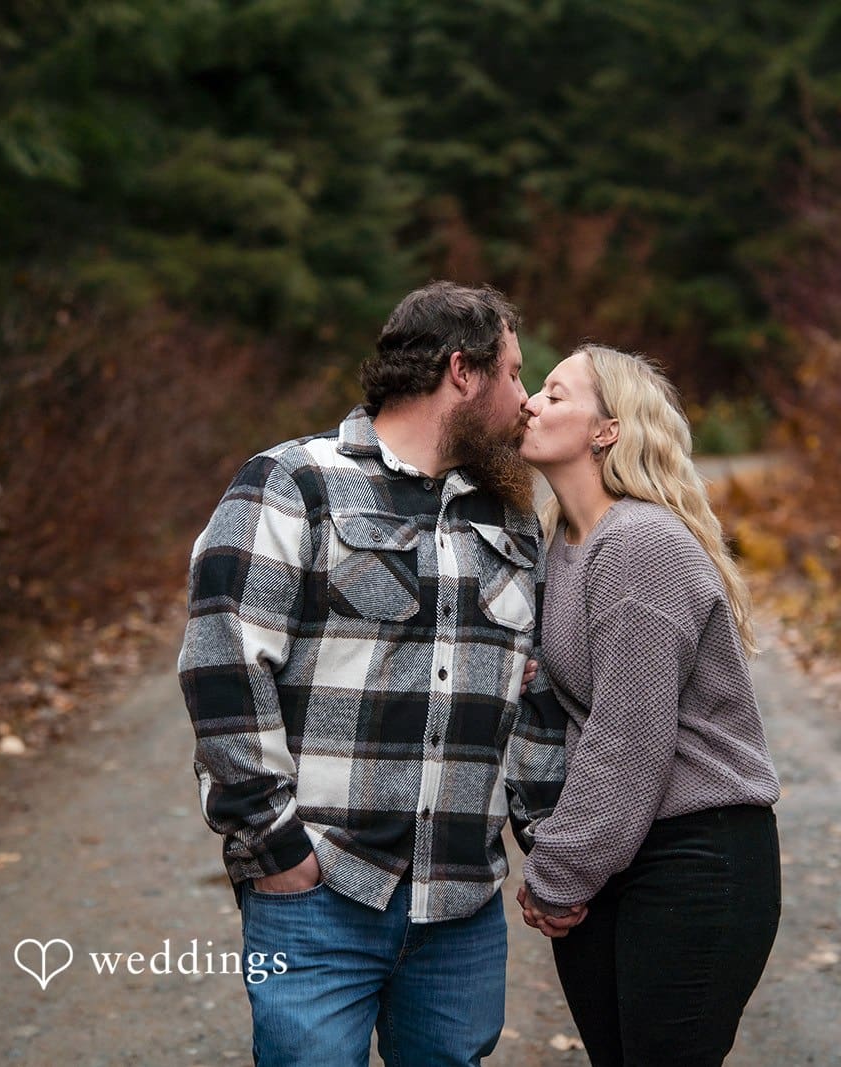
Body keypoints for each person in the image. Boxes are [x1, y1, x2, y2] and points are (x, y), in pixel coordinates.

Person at [177, 281, 569, 1067]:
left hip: (460, 907)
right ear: (463, 370)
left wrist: (551, 847)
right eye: (517, 374)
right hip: (321, 893)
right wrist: (278, 847)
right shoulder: (294, 481)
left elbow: (532, 700)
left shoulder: (511, 514)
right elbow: (223, 666)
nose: (526, 399)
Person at [514, 344, 783, 1067]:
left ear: (607, 430)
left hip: (697, 854)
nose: (531, 402)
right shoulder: (557, 541)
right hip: (621, 852)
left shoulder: (638, 545)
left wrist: (558, 871)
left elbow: (629, 738)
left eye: (556, 394)